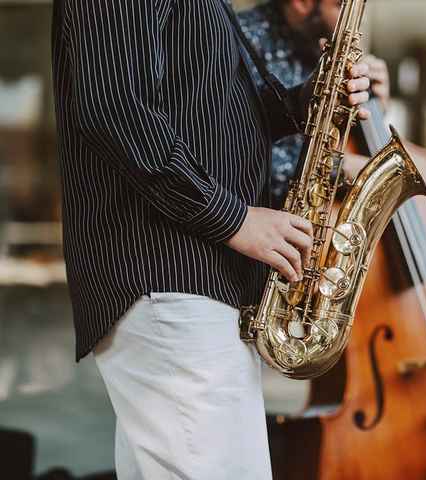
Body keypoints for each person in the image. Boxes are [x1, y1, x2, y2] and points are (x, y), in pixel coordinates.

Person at [51, 1, 371, 479]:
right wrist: (237, 221)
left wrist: (309, 102)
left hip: (193, 279)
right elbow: (116, 107)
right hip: (166, 272)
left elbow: (202, 108)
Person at [237, 0, 391, 208]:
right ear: (303, 3)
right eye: (341, 5)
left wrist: (373, 110)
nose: (360, 19)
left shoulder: (322, 39)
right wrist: (339, 169)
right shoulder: (242, 40)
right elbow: (238, 156)